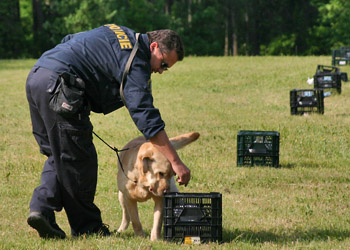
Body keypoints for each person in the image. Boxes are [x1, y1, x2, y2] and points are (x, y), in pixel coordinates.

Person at [25, 24, 191, 239]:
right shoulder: (136, 61)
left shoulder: (119, 31)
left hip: (38, 76)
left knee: (59, 155)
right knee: (80, 160)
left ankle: (41, 210)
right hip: (61, 88)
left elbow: (71, 39)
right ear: (154, 46)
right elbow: (146, 116)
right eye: (163, 64)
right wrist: (176, 162)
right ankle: (88, 229)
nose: (161, 70)